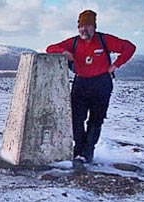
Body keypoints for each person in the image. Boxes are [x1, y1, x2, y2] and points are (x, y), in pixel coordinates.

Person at [46, 10, 136, 164]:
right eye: (81, 27)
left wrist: (115, 65)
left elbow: (129, 47)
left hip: (101, 84)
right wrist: (64, 52)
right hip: (81, 83)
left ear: (94, 27)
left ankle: (88, 151)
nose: (84, 30)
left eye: (87, 26)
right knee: (76, 118)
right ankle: (79, 148)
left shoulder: (104, 40)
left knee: (96, 120)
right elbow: (50, 48)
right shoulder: (74, 42)